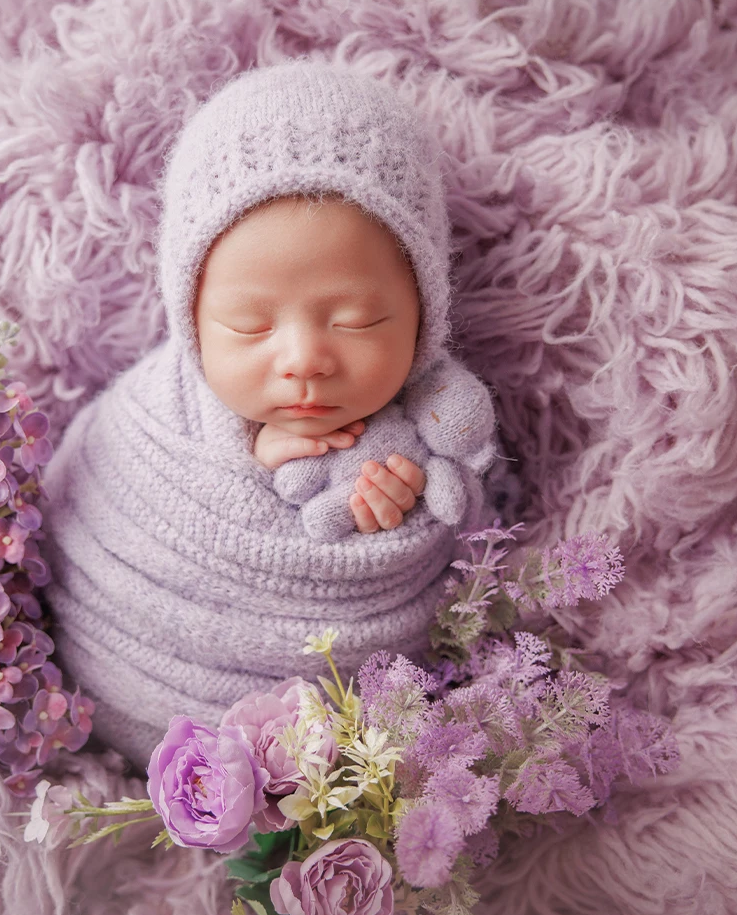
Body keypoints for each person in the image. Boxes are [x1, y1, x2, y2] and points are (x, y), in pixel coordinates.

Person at [43, 58, 497, 769]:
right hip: (103, 707)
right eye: (251, 326)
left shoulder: (436, 430)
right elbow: (83, 531)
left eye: (357, 319)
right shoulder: (145, 424)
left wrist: (396, 511)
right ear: (190, 316)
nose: (304, 359)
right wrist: (252, 456)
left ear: (424, 311)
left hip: (326, 776)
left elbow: (468, 547)